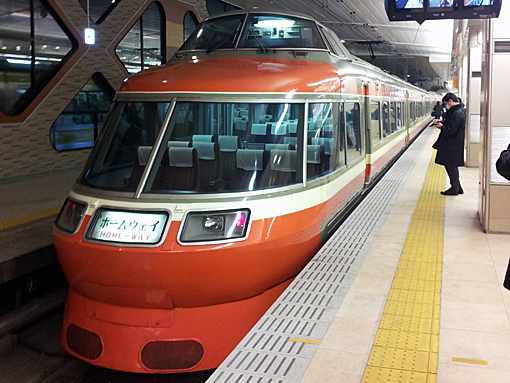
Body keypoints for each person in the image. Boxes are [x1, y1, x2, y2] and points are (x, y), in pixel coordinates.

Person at [432, 92, 465, 196]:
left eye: (446, 103)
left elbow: (451, 130)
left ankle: (454, 189)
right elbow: (452, 125)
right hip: (453, 144)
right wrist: (442, 122)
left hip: (452, 145)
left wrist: (441, 127)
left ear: (450, 101)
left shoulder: (456, 113)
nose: (446, 106)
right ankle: (458, 187)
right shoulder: (458, 112)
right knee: (452, 166)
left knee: (451, 166)